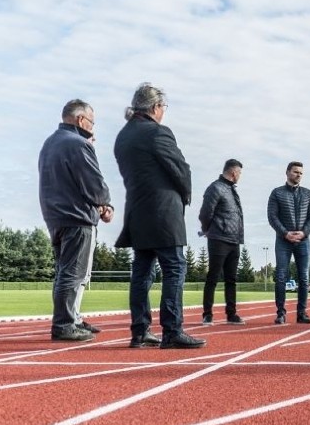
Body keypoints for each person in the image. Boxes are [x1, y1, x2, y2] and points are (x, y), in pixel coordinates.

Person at [114, 83, 205, 350]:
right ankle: (172, 329)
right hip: (163, 212)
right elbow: (180, 168)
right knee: (174, 268)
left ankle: (140, 331)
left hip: (137, 211)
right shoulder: (157, 132)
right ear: (155, 107)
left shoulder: (123, 136)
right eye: (163, 107)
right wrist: (186, 195)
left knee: (142, 272)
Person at [38, 99, 113, 342]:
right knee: (74, 273)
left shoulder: (50, 143)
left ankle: (72, 318)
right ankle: (64, 324)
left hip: (55, 216)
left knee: (65, 272)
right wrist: (105, 204)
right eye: (93, 122)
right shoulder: (78, 144)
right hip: (77, 217)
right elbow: (93, 182)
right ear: (81, 120)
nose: (94, 128)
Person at [267, 161, 310, 324]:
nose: (299, 175)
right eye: (296, 172)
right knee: (281, 276)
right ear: (287, 172)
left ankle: (301, 313)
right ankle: (280, 313)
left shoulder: (308, 193)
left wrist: (304, 232)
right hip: (283, 241)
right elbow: (272, 216)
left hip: (303, 240)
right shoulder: (277, 193)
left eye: (301, 173)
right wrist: (285, 233)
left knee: (304, 277)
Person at [199, 159, 245, 326]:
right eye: (239, 173)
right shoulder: (215, 188)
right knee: (213, 277)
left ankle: (231, 314)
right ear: (233, 172)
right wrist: (208, 229)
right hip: (218, 239)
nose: (240, 176)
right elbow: (205, 213)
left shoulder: (232, 190)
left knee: (231, 279)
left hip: (234, 240)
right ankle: (207, 314)